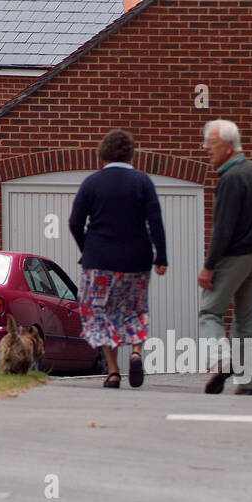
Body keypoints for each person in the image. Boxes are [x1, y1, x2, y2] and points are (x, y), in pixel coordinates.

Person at [69, 129, 168, 389]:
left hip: (99, 261)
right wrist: (162, 257)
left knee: (102, 313)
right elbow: (155, 221)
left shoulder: (91, 183)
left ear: (103, 153)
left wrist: (87, 249)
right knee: (135, 309)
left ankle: (113, 372)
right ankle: (136, 352)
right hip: (137, 260)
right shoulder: (142, 182)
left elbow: (74, 222)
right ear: (130, 153)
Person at [198, 119, 252, 395]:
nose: (206, 148)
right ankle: (247, 383)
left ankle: (221, 360)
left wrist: (209, 267)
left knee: (210, 311)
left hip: (234, 257)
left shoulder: (231, 179)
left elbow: (223, 229)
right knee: (246, 319)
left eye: (212, 144)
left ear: (229, 146)